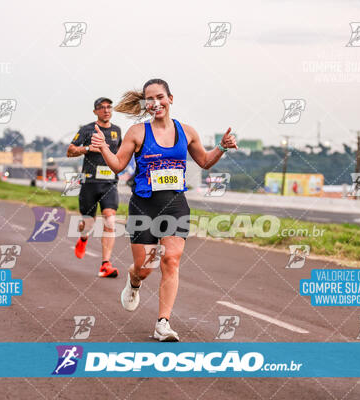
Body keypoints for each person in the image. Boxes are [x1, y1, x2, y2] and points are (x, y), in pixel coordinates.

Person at [91, 78, 237, 341]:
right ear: (145, 104)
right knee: (145, 268)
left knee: (171, 260)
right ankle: (134, 281)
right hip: (144, 206)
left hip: (175, 205)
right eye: (150, 98)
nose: (155, 102)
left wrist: (222, 147)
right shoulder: (137, 132)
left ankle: (163, 323)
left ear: (170, 98)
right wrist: (103, 147)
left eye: (160, 97)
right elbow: (117, 166)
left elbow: (204, 161)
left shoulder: (187, 131)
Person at [67, 97, 122, 278]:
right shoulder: (87, 129)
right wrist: (89, 148)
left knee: (110, 220)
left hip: (109, 184)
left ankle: (105, 264)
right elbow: (70, 151)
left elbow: (121, 155)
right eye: (102, 108)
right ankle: (83, 237)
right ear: (95, 111)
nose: (106, 110)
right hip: (90, 183)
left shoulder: (117, 131)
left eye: (109, 107)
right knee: (88, 224)